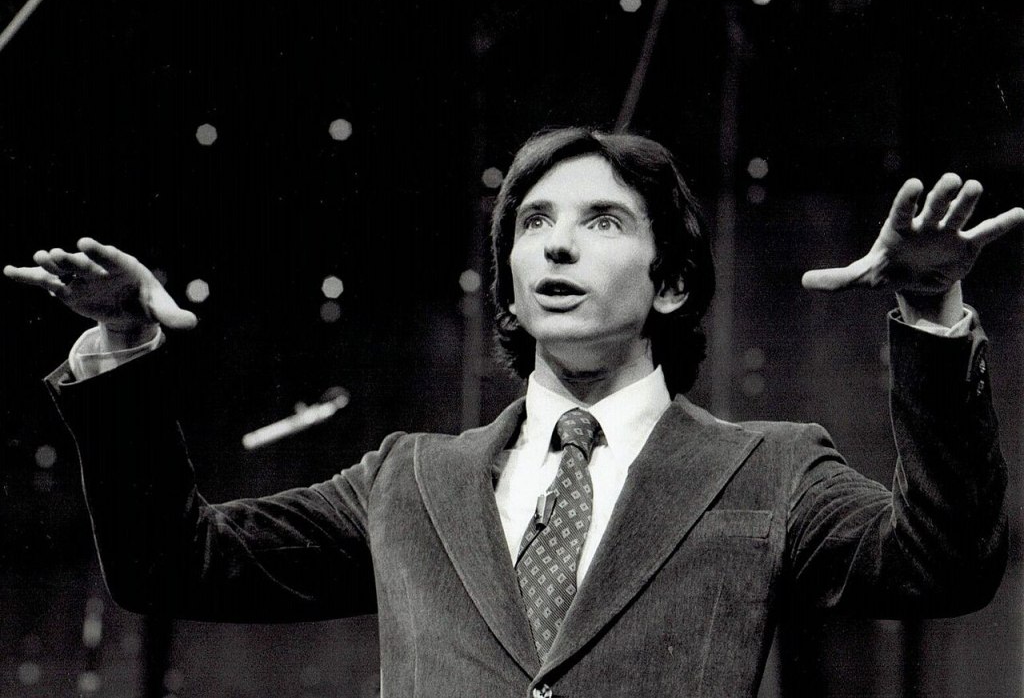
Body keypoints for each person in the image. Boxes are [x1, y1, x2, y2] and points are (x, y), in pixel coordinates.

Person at [5, 128, 1022, 697]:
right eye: (534, 222)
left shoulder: (768, 469)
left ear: (670, 283)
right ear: (510, 282)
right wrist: (125, 346)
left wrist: (931, 310)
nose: (557, 244)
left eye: (602, 220)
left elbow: (943, 561)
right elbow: (171, 563)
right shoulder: (408, 478)